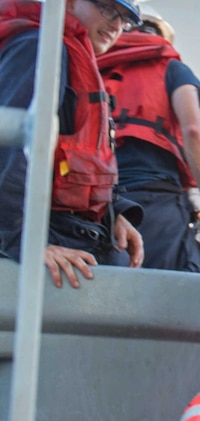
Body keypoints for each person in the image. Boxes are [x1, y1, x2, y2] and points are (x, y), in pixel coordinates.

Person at [0, 0, 145, 288]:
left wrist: (113, 214)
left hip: (76, 234)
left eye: (125, 19)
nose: (116, 25)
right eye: (108, 9)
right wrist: (23, 242)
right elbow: (10, 148)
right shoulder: (37, 49)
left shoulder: (69, 52)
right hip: (44, 240)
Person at [97, 7, 200, 272]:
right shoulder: (171, 67)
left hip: (101, 202)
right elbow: (194, 130)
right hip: (157, 202)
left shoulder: (94, 64)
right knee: (172, 297)